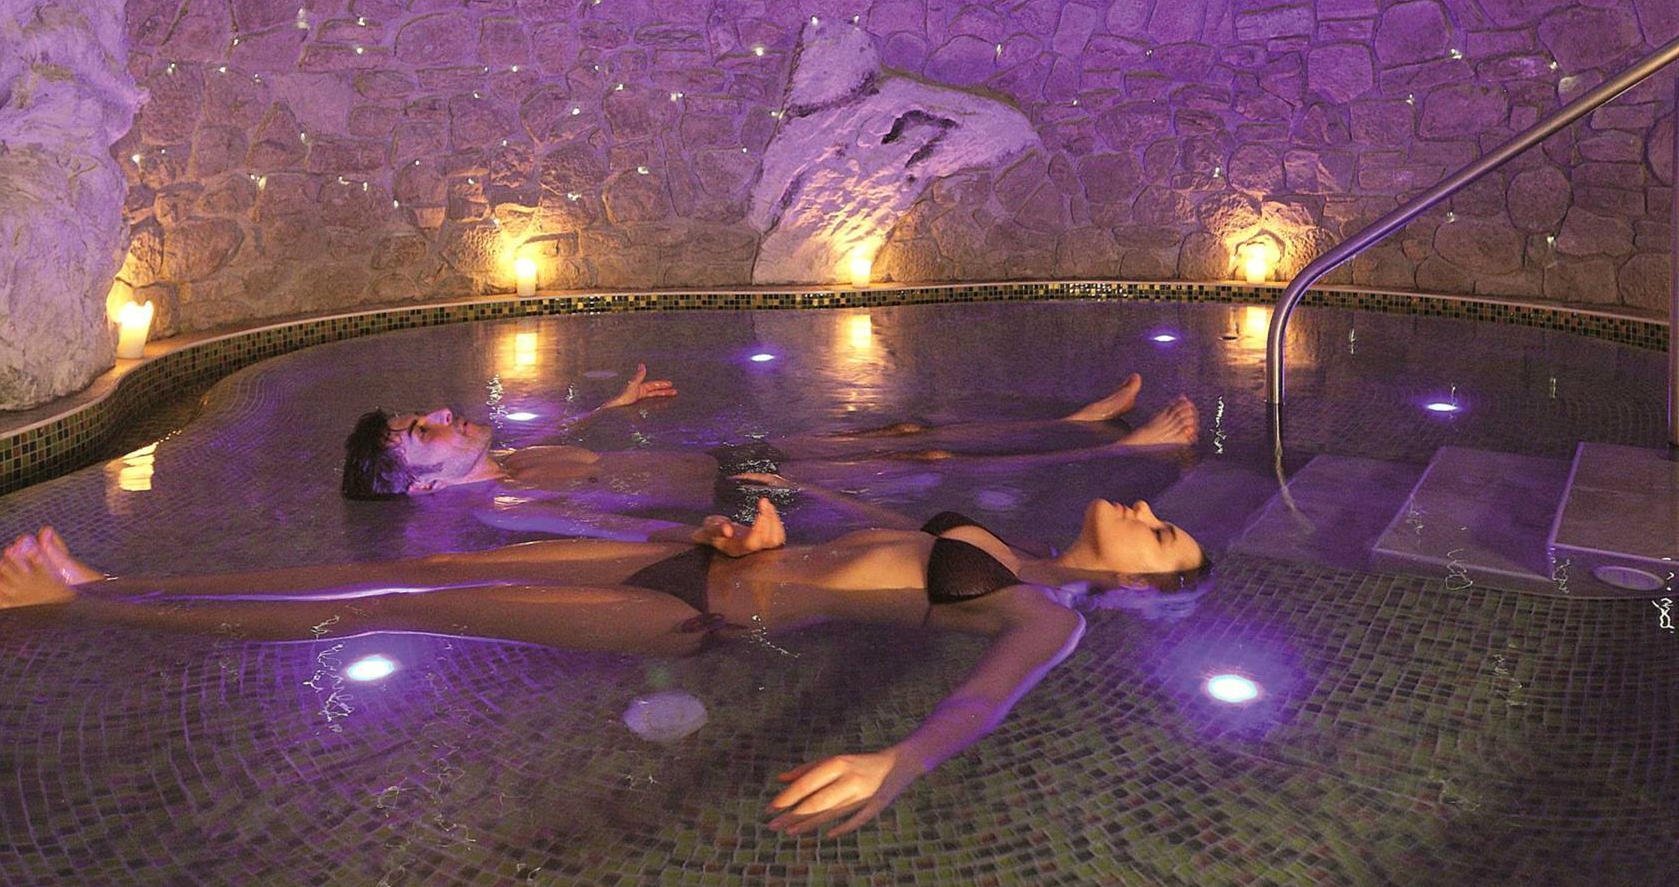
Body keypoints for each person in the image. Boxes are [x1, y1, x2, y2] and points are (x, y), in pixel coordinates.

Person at [0, 488, 1213, 838]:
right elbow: (863, 541)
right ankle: (105, 582)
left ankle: (91, 600)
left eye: (1159, 538)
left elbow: (983, 704)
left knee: (395, 602)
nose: (1147, 514)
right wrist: (765, 521)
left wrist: (900, 760)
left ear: (1138, 587)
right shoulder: (1012, 539)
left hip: (693, 620)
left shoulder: (1049, 615)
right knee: (436, 567)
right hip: (698, 557)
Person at [340, 369, 1199, 515]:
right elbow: (609, 528)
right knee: (923, 461)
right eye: (421, 430)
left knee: (901, 431)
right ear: (424, 484)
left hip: (730, 458)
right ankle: (1115, 452)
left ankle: (1077, 422)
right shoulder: (510, 498)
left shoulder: (516, 458)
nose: (442, 411)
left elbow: (567, 432)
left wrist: (617, 400)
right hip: (736, 490)